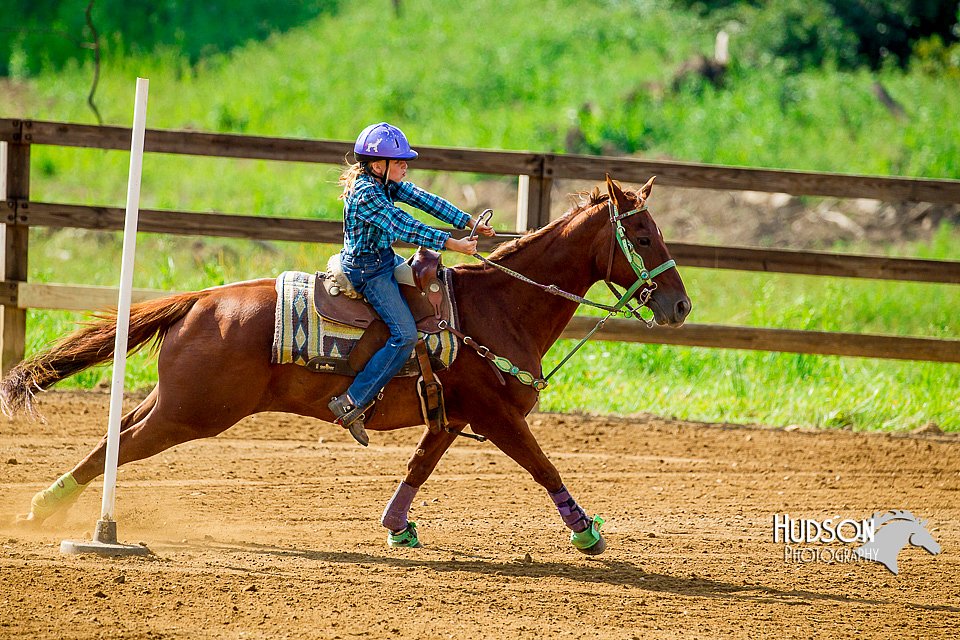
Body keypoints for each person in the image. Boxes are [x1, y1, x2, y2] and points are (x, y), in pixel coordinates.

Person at [329, 122, 495, 446]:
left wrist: (468, 220)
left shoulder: (384, 182)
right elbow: (402, 225)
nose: (406, 166)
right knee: (405, 334)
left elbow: (424, 200)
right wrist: (452, 243)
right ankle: (352, 400)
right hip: (369, 273)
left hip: (383, 261)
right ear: (378, 165)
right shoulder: (366, 194)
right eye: (400, 161)